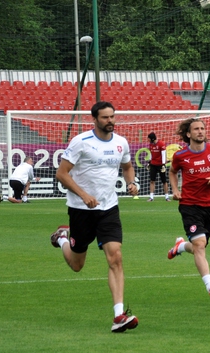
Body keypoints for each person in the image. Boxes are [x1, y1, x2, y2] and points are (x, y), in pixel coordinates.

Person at [49, 101, 140, 333]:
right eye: (105, 117)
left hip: (109, 208)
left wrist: (132, 182)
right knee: (77, 265)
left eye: (112, 116)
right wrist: (84, 195)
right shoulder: (81, 141)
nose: (110, 121)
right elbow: (62, 173)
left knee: (115, 257)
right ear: (95, 119)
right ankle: (62, 239)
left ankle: (119, 315)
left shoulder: (121, 142)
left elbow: (127, 167)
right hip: (80, 209)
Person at [166, 118, 210, 301]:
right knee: (200, 245)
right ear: (188, 134)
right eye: (196, 129)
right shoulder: (180, 156)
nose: (200, 131)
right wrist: (175, 190)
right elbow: (172, 172)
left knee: (200, 245)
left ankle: (181, 246)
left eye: (202, 128)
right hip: (189, 205)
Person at [147, 132, 171, 202]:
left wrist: (163, 164)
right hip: (153, 164)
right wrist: (149, 162)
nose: (148, 140)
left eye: (149, 139)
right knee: (152, 181)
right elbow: (151, 154)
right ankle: (151, 197)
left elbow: (163, 154)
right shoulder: (150, 145)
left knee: (164, 181)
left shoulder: (161, 144)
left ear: (152, 139)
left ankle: (167, 197)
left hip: (160, 165)